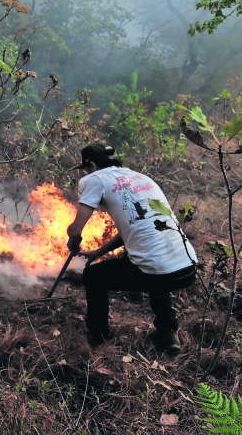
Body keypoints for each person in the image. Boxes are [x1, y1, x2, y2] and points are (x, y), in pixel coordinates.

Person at [65, 143, 198, 354]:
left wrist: (73, 240)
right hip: (188, 266)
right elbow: (134, 227)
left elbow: (75, 230)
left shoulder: (95, 179)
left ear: (91, 165)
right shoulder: (141, 178)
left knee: (93, 275)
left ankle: (98, 337)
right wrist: (99, 252)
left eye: (87, 168)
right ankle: (168, 332)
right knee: (153, 262)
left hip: (158, 270)